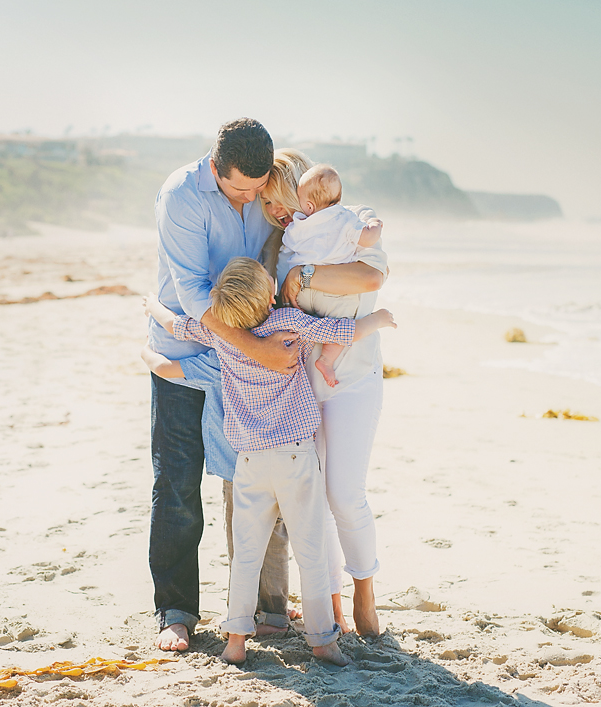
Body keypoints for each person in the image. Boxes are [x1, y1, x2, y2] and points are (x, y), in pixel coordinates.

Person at [143, 257, 396, 664]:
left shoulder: (223, 336)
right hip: (295, 458)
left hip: (249, 464)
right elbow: (340, 331)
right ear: (267, 296)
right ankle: (322, 641)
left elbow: (175, 329)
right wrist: (378, 319)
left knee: (246, 554)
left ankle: (236, 641)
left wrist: (151, 313)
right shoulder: (288, 324)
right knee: (310, 550)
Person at [148, 118, 297, 652]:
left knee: (255, 485)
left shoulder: (265, 188)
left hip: (251, 371)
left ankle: (266, 607)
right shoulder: (182, 195)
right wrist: (255, 349)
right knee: (179, 485)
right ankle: (177, 611)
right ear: (216, 169)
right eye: (240, 189)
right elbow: (191, 291)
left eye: (258, 189)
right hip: (188, 348)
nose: (252, 198)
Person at [260, 148, 390, 637]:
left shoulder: (349, 223)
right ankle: (331, 603)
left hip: (354, 377)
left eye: (285, 199)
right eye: (271, 205)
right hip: (301, 386)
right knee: (312, 499)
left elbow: (370, 275)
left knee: (345, 493)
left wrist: (304, 275)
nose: (282, 212)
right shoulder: (286, 243)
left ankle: (365, 592)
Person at [283, 163, 384, 387]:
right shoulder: (344, 218)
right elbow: (367, 239)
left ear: (307, 205)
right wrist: (375, 225)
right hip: (334, 294)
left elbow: (289, 242)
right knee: (342, 324)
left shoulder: (298, 225)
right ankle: (327, 359)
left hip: (301, 295)